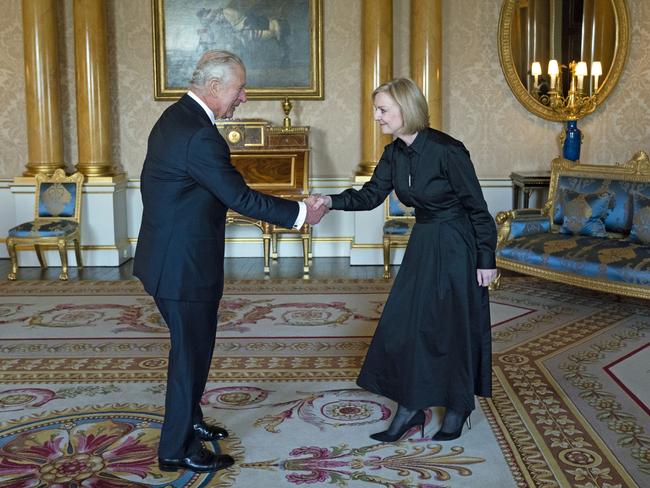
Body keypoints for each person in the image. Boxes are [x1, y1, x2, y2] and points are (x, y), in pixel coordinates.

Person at [133, 50, 327, 473]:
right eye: (240, 88)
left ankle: (192, 420)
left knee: (193, 349)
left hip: (166, 257)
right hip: (183, 267)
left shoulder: (176, 117)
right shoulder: (199, 135)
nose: (244, 96)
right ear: (217, 86)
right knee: (191, 355)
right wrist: (300, 214)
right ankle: (176, 448)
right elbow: (239, 197)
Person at [307, 78, 497, 442]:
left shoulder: (448, 150)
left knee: (452, 324)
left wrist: (486, 258)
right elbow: (370, 195)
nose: (376, 117)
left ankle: (457, 407)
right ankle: (410, 407)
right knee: (409, 324)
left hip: (458, 243)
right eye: (376, 109)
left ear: (405, 110)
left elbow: (478, 208)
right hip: (424, 240)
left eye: (382, 110)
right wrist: (330, 200)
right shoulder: (393, 153)